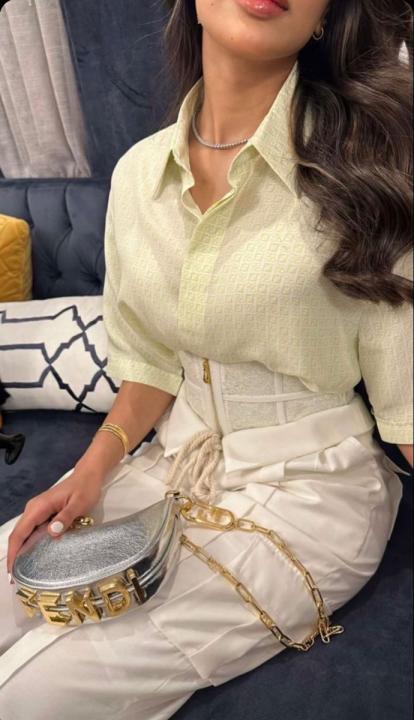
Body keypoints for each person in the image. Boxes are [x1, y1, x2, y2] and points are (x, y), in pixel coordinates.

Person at [0, 0, 413, 718]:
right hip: (172, 465)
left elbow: (407, 401)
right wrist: (88, 475)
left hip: (313, 495)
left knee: (31, 691)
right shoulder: (138, 176)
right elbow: (151, 365)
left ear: (325, 17)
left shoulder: (371, 172)